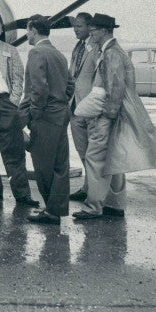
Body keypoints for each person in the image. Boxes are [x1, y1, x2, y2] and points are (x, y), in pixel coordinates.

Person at [73, 13, 156, 221]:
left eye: (93, 30)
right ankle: (115, 204)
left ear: (103, 31)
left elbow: (115, 87)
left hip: (108, 115)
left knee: (95, 158)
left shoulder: (111, 54)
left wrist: (107, 116)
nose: (90, 34)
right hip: (117, 113)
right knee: (114, 159)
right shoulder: (113, 51)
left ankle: (93, 207)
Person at [0, 15, 39, 207]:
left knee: (14, 150)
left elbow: (18, 78)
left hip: (5, 102)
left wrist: (13, 101)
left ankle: (22, 195)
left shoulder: (10, 50)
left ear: (1, 31)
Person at [21, 15, 71, 225]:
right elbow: (70, 86)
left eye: (27, 30)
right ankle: (56, 209)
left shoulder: (36, 52)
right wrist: (60, 104)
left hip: (45, 118)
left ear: (33, 29)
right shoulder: (59, 54)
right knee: (60, 166)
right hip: (60, 115)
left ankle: (51, 211)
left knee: (43, 165)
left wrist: (35, 114)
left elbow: (38, 89)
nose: (26, 34)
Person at [66, 12, 98, 201]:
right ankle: (87, 187)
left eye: (79, 26)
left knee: (94, 152)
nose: (75, 30)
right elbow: (72, 75)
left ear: (89, 27)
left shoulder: (96, 49)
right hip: (75, 107)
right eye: (74, 26)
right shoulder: (77, 48)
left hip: (91, 107)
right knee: (82, 150)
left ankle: (94, 190)